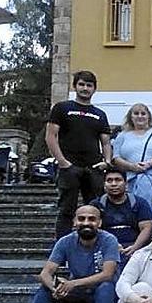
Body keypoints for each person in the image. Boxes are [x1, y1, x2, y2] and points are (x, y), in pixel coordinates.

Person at [0, 205, 119, 303]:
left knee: (106, 286)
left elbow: (108, 274)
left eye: (92, 219)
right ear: (74, 222)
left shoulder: (109, 240)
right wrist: (54, 288)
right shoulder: (65, 241)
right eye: (81, 218)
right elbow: (45, 273)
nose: (86, 222)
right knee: (44, 290)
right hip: (78, 295)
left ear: (100, 222)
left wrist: (72, 284)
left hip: (104, 298)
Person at [47, 71, 113, 239]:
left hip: (93, 168)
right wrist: (62, 162)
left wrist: (106, 161)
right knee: (66, 210)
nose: (85, 88)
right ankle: (61, 251)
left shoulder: (100, 114)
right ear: (75, 86)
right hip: (69, 167)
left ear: (94, 89)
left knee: (97, 209)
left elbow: (106, 142)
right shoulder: (62, 108)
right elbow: (51, 136)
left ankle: (97, 247)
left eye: (89, 85)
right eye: (82, 84)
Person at [111, 103, 152, 221]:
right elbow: (115, 158)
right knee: (134, 212)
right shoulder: (122, 135)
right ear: (131, 117)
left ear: (149, 117)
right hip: (132, 182)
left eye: (143, 113)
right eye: (136, 113)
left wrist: (150, 163)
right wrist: (132, 167)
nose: (140, 116)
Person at [89, 168, 152, 262]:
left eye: (118, 180)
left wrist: (134, 247)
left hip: (136, 247)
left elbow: (146, 228)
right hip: (104, 247)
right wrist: (111, 245)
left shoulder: (140, 203)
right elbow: (92, 229)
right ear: (104, 185)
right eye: (109, 180)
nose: (114, 184)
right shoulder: (96, 205)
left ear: (126, 184)